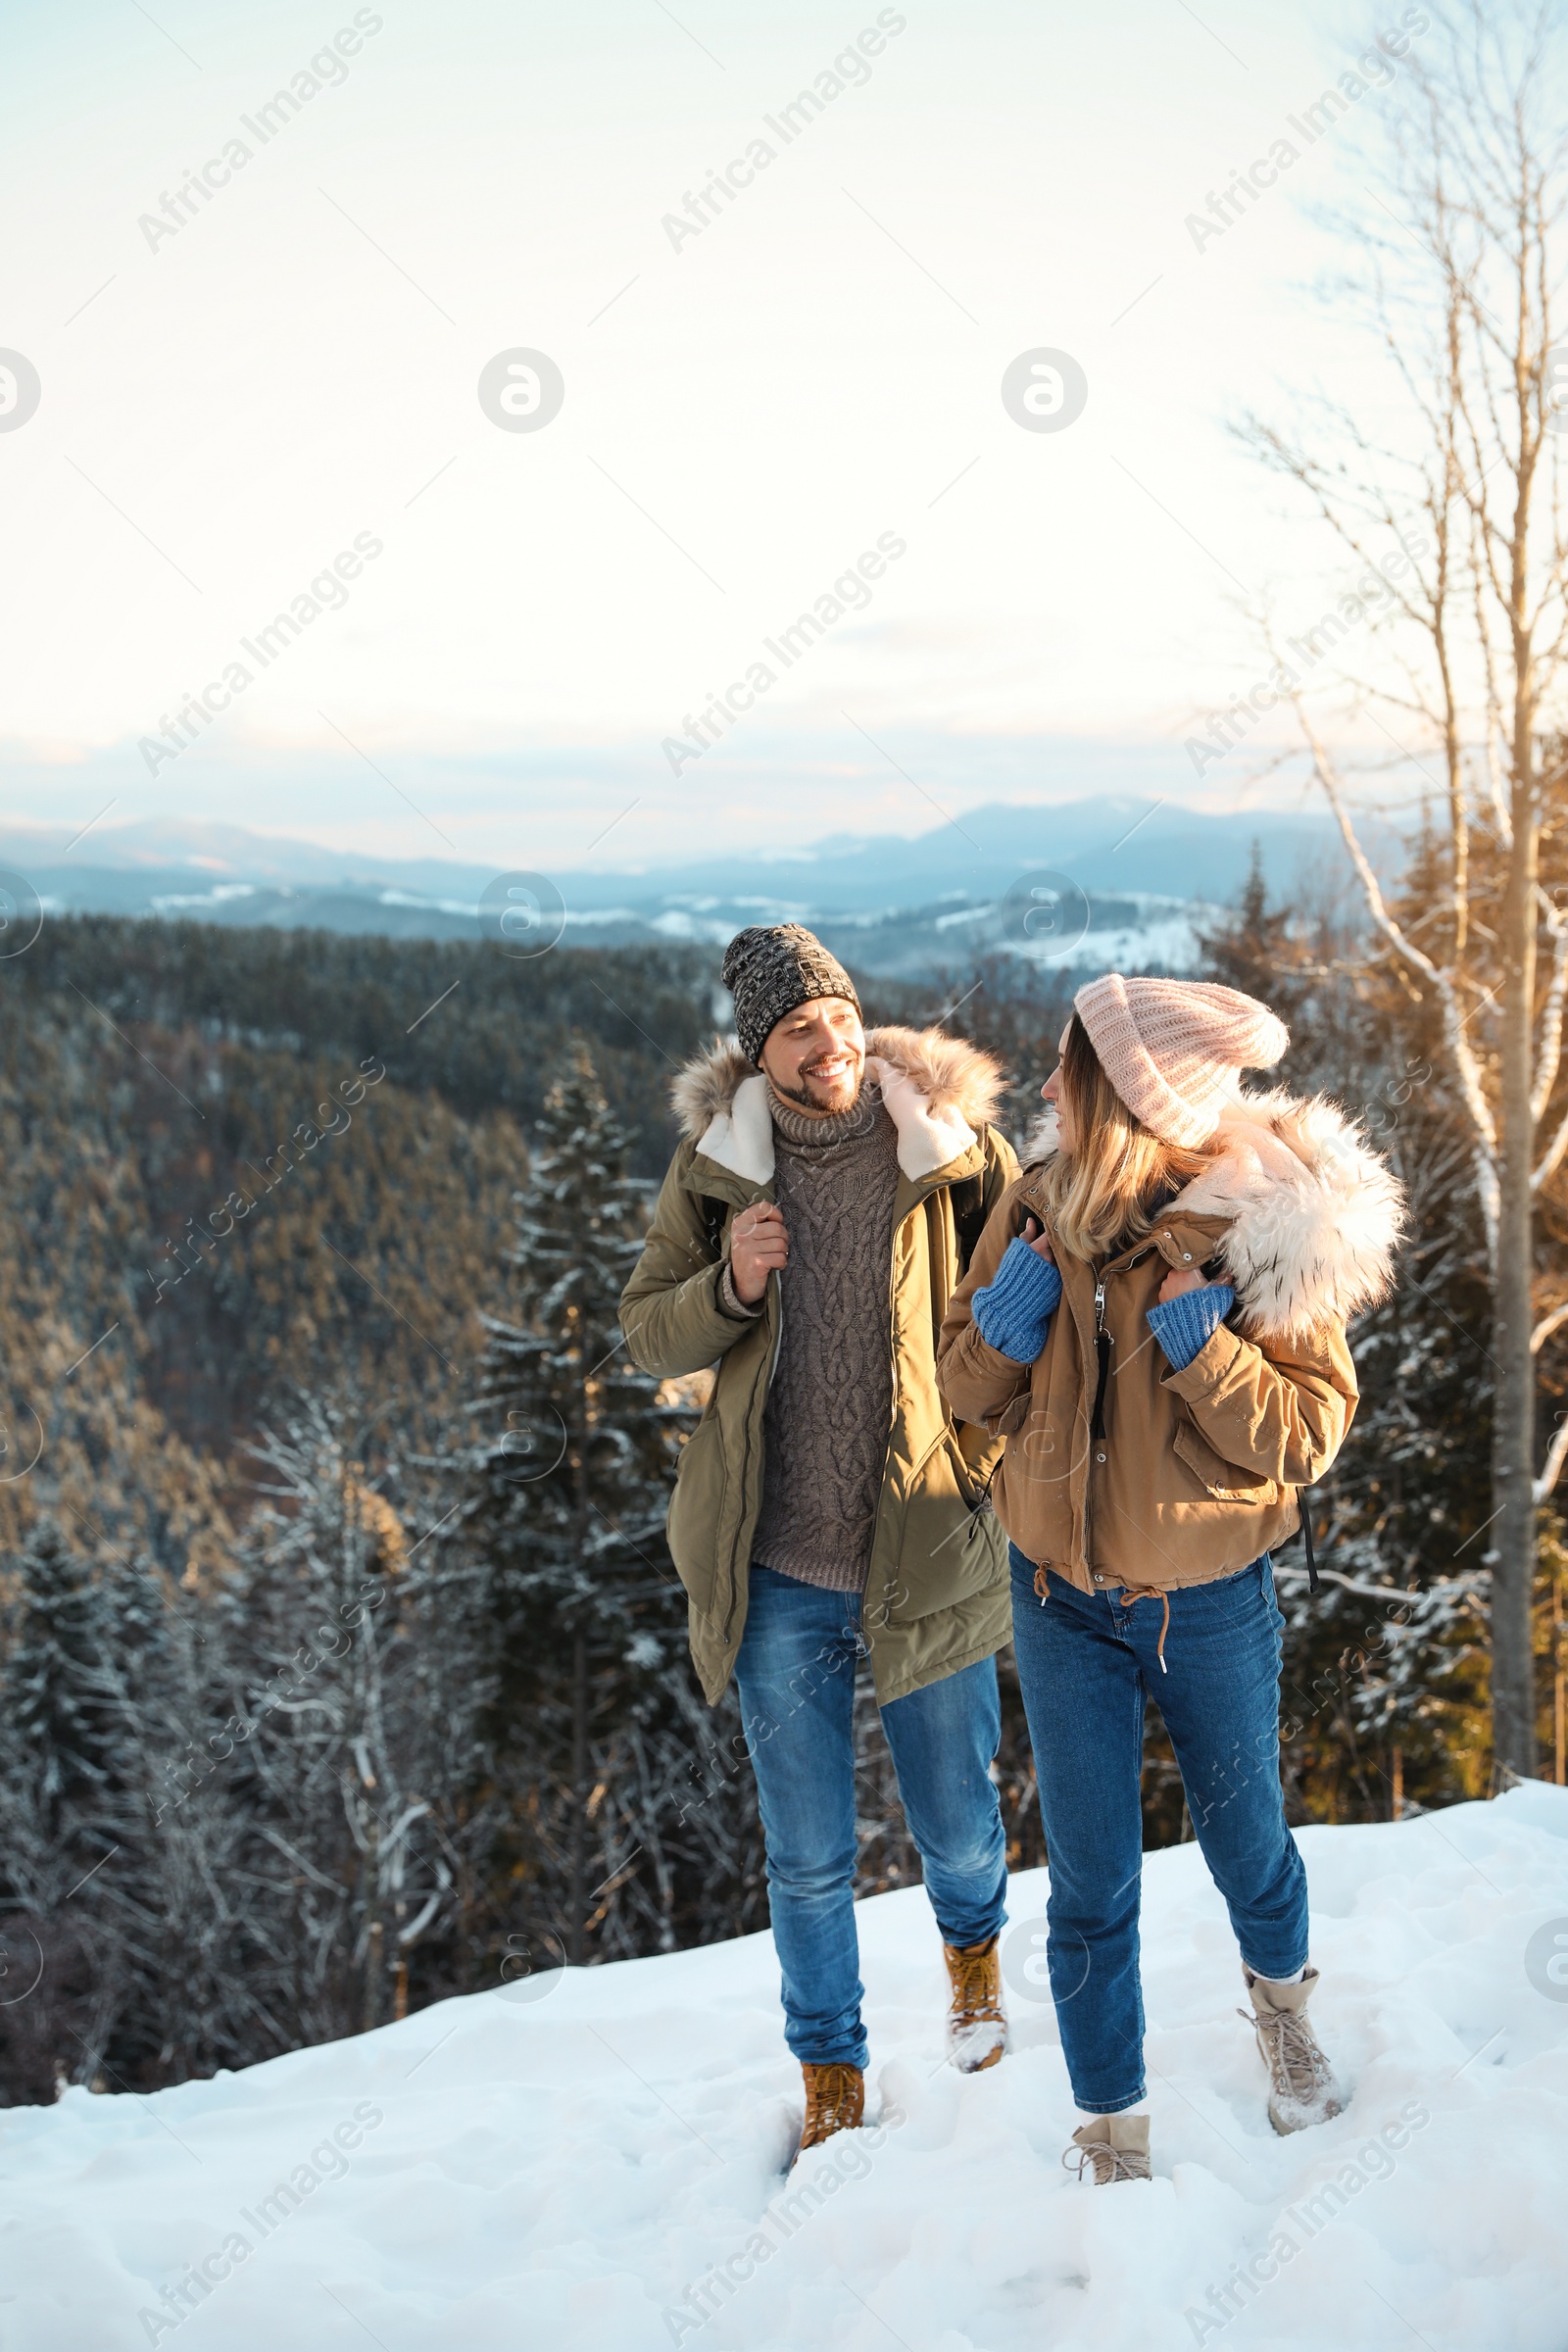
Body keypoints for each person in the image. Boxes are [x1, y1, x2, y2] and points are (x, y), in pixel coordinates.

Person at [937, 973, 1403, 2185]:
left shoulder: (1257, 1229)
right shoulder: (1036, 1209)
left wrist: (1205, 1356)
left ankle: (1285, 2015)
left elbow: (1306, 1434)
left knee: (1246, 1842)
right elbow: (958, 1390)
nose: (1045, 1086)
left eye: (1069, 1069)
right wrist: (1004, 1325)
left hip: (1206, 1606)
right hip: (1055, 1602)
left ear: (1131, 1096)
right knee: (1087, 1883)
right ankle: (1111, 2130)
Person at [621, 923, 1020, 2153]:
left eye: (839, 1016)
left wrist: (986, 1452)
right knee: (803, 1857)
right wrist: (728, 1286)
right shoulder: (715, 1174)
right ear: (759, 1052)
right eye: (799, 1028)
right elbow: (647, 1339)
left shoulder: (949, 1153)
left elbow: (1038, 1295)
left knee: (957, 1820)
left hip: (927, 1538)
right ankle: (831, 2072)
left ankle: (973, 1973)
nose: (829, 1042)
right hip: (778, 1573)